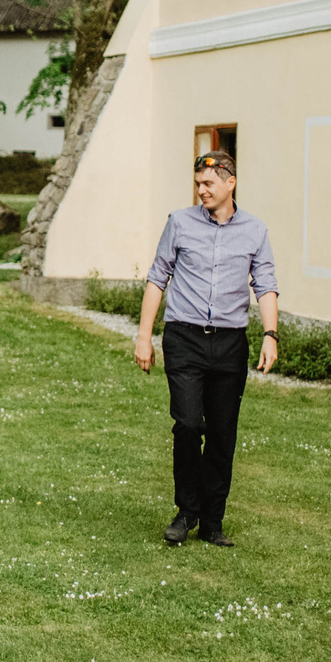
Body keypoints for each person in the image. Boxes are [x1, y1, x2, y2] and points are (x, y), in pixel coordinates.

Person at [133, 151, 279, 547]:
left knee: (221, 433)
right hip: (184, 338)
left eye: (208, 184)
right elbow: (157, 277)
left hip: (230, 344)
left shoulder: (255, 230)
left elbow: (265, 284)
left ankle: (213, 521)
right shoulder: (179, 223)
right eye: (198, 183)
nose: (201, 190)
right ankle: (186, 511)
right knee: (187, 425)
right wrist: (145, 336)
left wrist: (270, 334)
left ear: (231, 183)